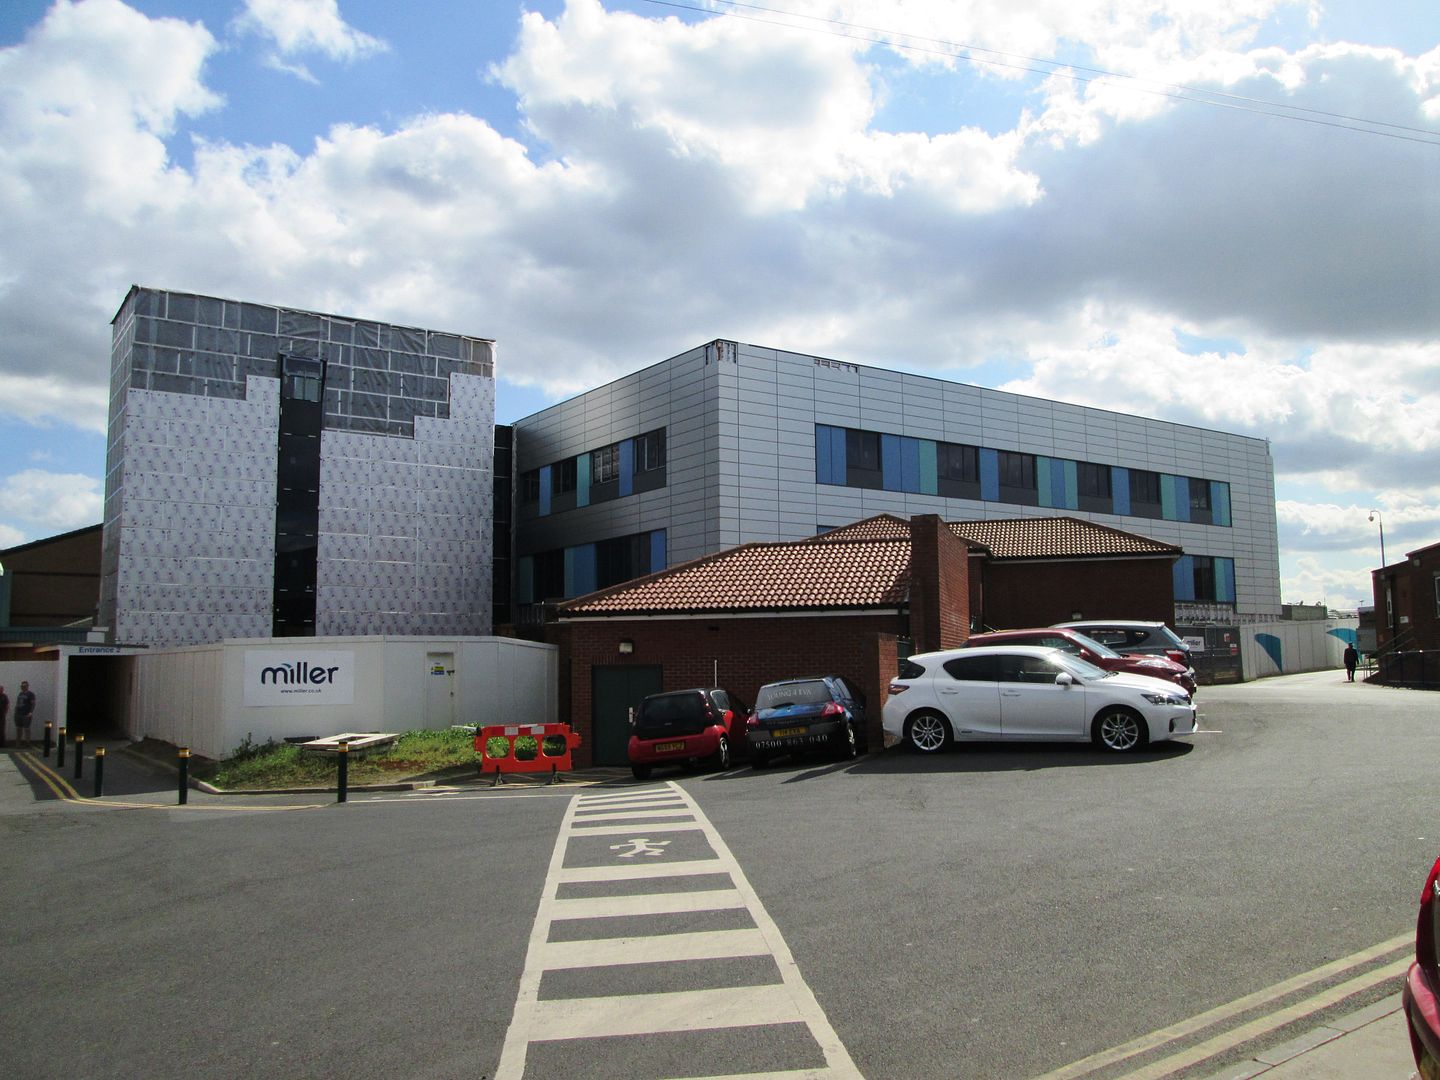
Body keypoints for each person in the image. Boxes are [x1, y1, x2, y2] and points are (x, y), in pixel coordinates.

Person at [13, 681, 35, 747]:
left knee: (26, 729)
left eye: (24, 686)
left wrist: (31, 712)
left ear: (27, 686)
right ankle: (18, 743)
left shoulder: (30, 694)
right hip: (18, 714)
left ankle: (27, 743)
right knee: (18, 728)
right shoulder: (20, 694)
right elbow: (18, 703)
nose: (23, 687)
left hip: (26, 714)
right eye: (22, 686)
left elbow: (33, 703)